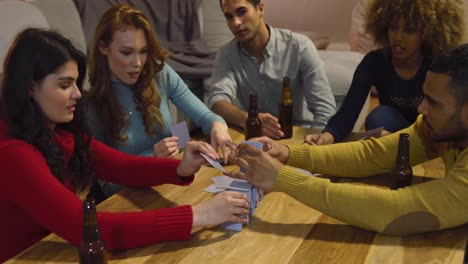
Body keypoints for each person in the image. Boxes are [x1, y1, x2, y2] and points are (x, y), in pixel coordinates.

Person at [0, 28, 249, 263]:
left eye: (76, 83)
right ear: (31, 88)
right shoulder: (13, 154)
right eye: (65, 85)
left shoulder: (59, 130)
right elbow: (96, 229)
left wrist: (179, 168)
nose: (77, 93)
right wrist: (200, 215)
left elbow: (119, 165)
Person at [227, 43, 468, 235]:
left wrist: (283, 179)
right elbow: (374, 154)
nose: (421, 109)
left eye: (433, 103)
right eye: (424, 97)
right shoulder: (438, 127)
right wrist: (290, 154)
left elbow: (397, 211)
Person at [86, 4, 238, 197]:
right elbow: (108, 186)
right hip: (132, 199)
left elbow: (206, 117)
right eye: (126, 52)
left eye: (143, 51)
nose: (138, 63)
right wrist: (153, 160)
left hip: (172, 183)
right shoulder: (92, 106)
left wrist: (218, 127)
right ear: (103, 48)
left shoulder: (160, 74)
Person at [306, 0, 464, 145]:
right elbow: (348, 112)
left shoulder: (436, 65)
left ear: (426, 34)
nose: (397, 37)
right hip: (393, 131)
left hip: (431, 132)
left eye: (409, 30)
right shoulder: (374, 62)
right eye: (393, 27)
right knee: (379, 116)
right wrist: (327, 136)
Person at [205, 0, 336, 139]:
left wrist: (312, 147)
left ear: (260, 9)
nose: (236, 23)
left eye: (242, 12)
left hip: (296, 134)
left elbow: (325, 110)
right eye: (229, 17)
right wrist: (247, 118)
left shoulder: (299, 47)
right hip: (255, 136)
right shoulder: (227, 54)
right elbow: (217, 101)